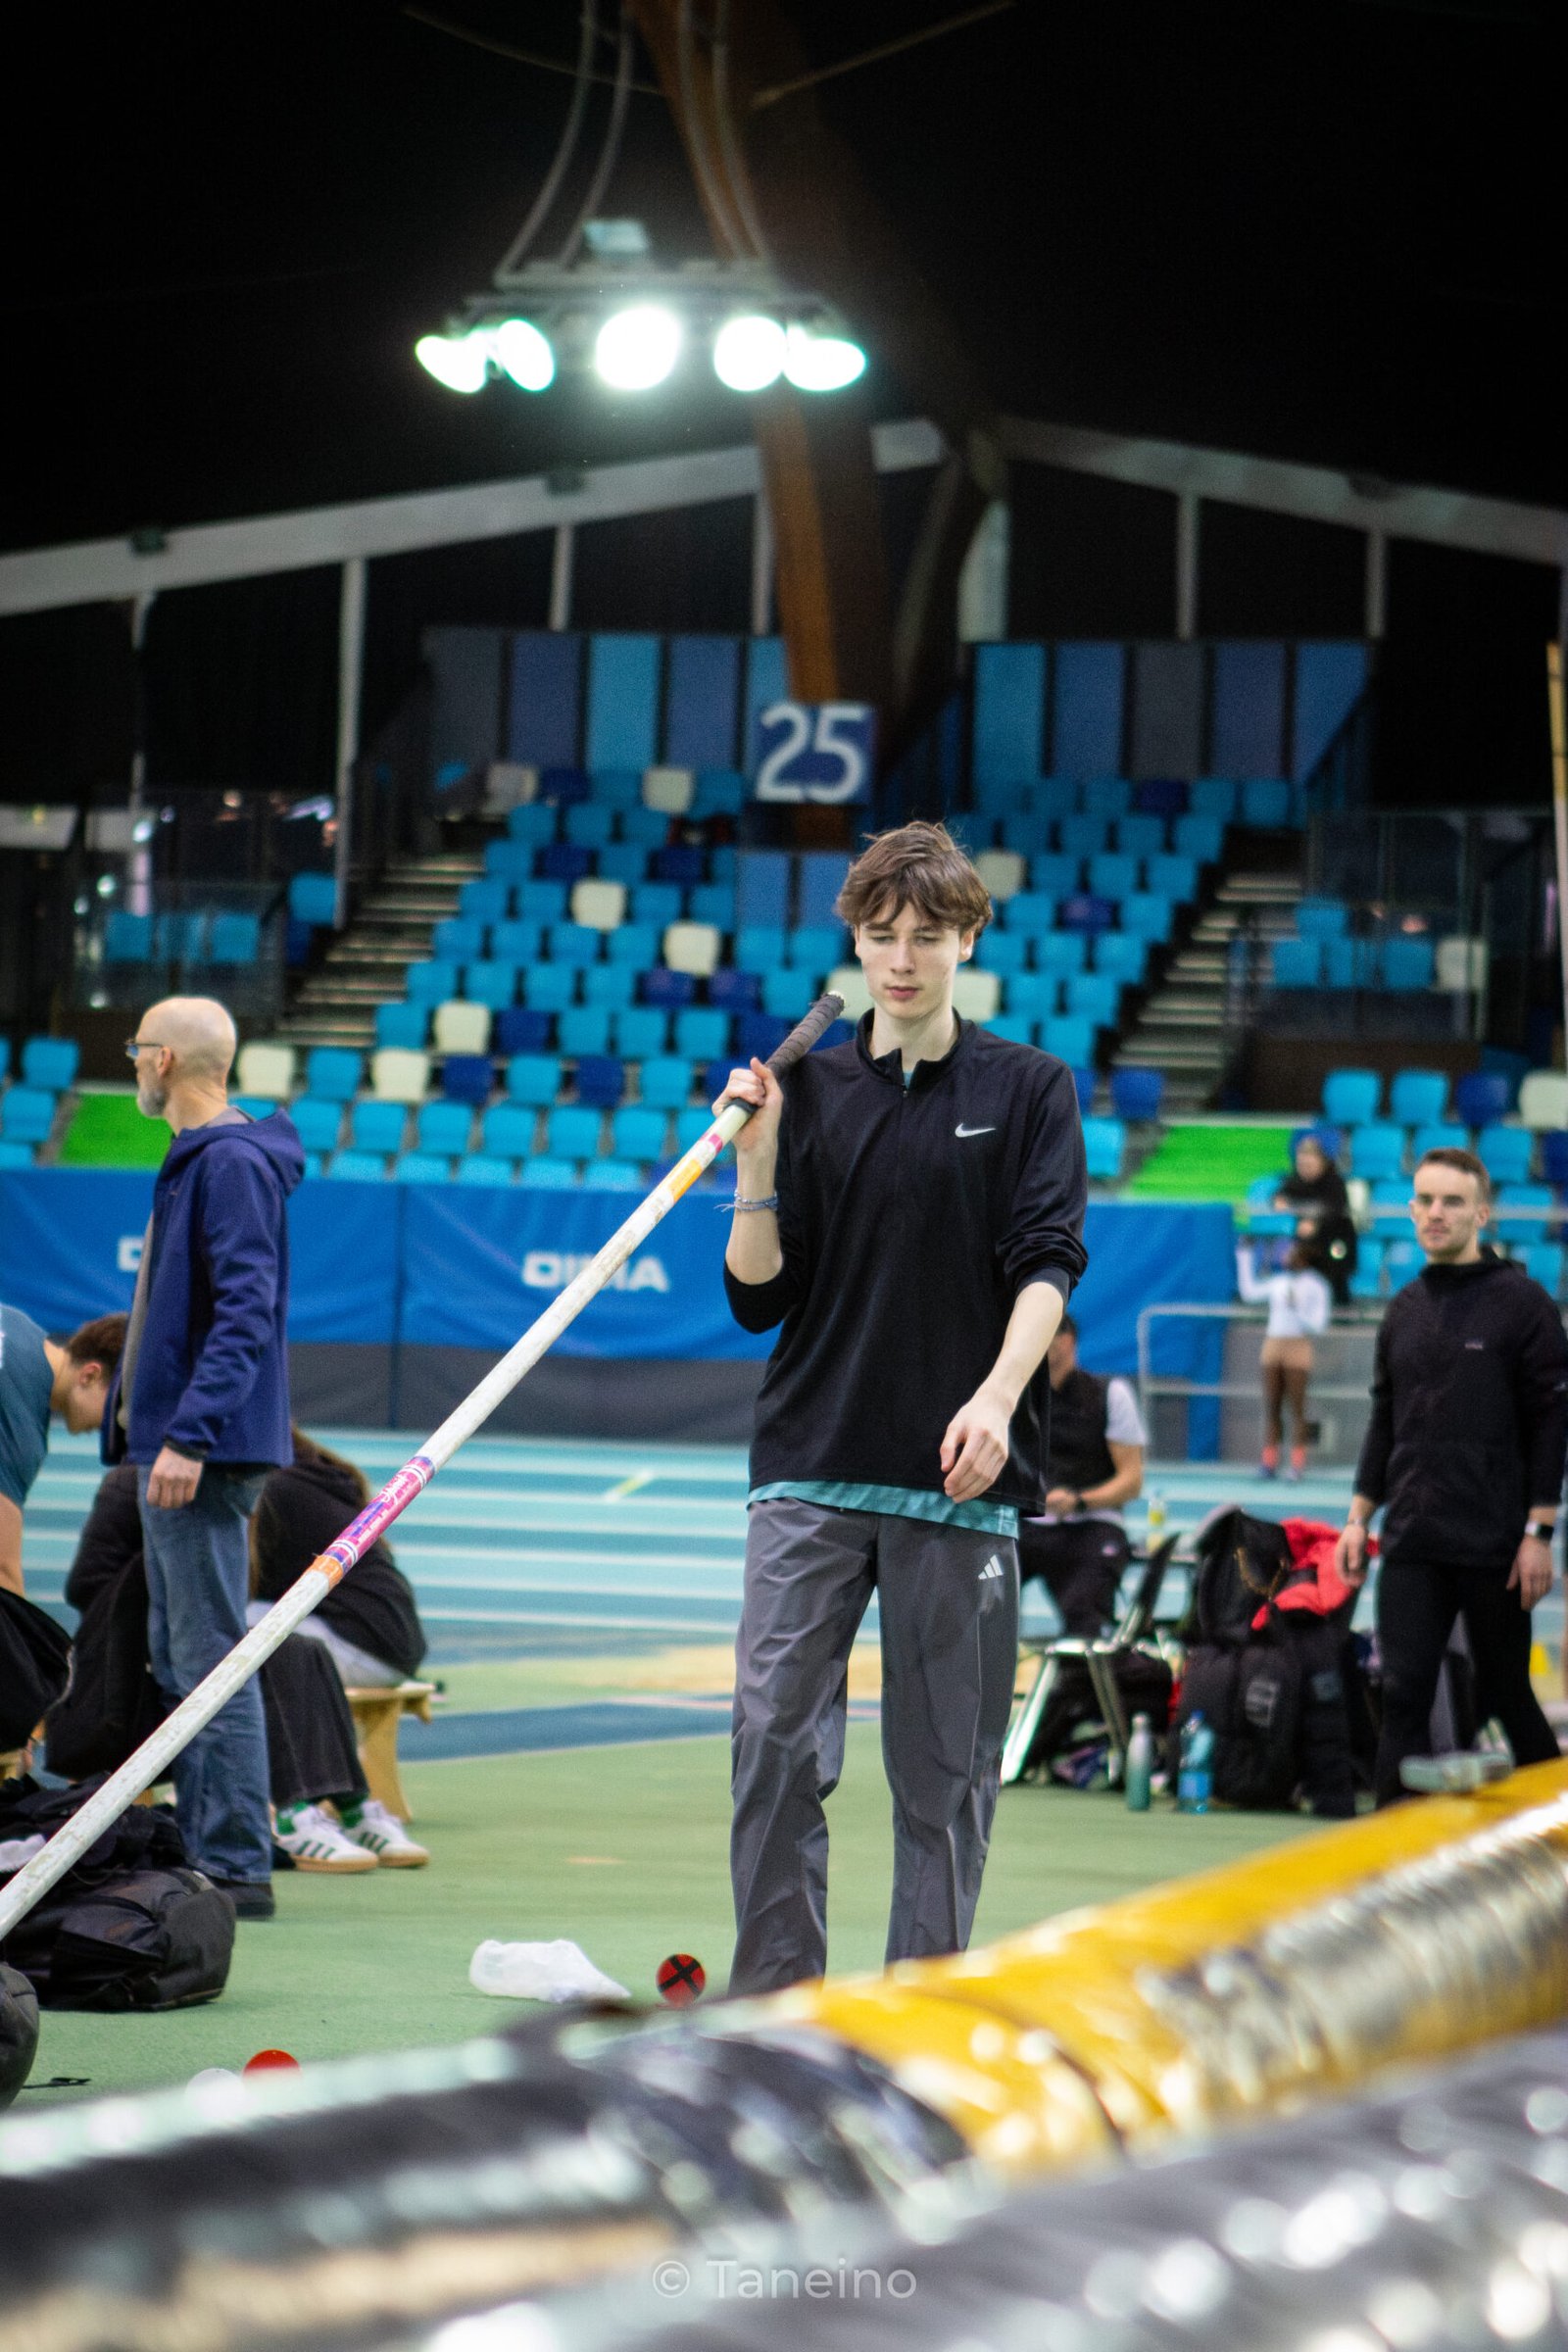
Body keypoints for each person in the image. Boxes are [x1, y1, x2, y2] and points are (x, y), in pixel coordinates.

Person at [718, 821, 1088, 1994]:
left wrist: (996, 1398)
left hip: (956, 1481)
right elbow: (756, 1299)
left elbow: (1047, 1262)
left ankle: (914, 2022)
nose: (901, 958)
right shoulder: (808, 1089)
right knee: (772, 1743)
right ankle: (775, 2013)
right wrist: (756, 1163)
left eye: (927, 936)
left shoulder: (1029, 1088)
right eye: (880, 936)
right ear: (856, 943)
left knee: (943, 1780)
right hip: (810, 1463)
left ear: (968, 939)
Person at [105, 998, 305, 1919]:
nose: (132, 1063)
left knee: (209, 1659)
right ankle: (215, 1851)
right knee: (185, 1655)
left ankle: (233, 1866)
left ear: (165, 1060)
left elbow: (244, 1311)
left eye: (137, 1048)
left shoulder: (228, 1163)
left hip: (203, 1449)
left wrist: (189, 1434)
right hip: (188, 1441)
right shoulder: (207, 1158)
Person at [1336, 1148, 1566, 1804]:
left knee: (1506, 1692)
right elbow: (1385, 1419)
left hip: (1495, 1542)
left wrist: (1539, 1533)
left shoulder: (1523, 1304)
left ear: (1482, 1214)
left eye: (1453, 1202)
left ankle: (1558, 1829)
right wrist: (1357, 1518)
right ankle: (1392, 1847)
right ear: (1411, 1210)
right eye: (1426, 1201)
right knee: (1403, 1692)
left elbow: (1552, 1424)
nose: (1436, 1214)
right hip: (1413, 1540)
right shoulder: (1404, 1308)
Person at [248, 1426, 429, 1867]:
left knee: (236, 1635)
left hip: (359, 1641)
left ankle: (294, 1808)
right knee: (269, 1633)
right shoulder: (318, 1477)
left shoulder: (275, 1489)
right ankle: (353, 1807)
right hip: (392, 1644)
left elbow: (241, 1582)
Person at [1015, 1313, 1146, 1636]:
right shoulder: (1017, 1396)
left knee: (1085, 1615)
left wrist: (1079, 1500)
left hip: (1092, 1525)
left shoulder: (1110, 1394)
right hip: (1028, 1526)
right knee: (980, 1597)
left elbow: (1132, 1481)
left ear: (1067, 1340)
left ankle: (1078, 1667)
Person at [0, 1308, 125, 1592]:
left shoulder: (17, 1323)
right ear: (90, 1375)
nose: (112, 1426)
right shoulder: (20, 1428)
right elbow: (3, 1571)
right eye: (116, 1407)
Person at [1236, 1237, 1333, 1480]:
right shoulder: (1279, 1282)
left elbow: (1319, 1324)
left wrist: (1296, 1309)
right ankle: (1269, 1462)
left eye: (1291, 1254)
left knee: (1297, 1408)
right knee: (1272, 1406)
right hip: (1274, 1343)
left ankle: (1297, 1464)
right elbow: (1249, 1292)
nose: (1286, 1258)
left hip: (1298, 1344)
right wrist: (1244, 1256)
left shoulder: (1317, 1285)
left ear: (1304, 1257)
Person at [1273, 1131, 1357, 1303]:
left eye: (1310, 1162)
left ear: (1322, 1161)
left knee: (1336, 1256)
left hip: (1336, 1242)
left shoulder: (1334, 1182)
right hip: (1308, 1245)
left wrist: (1315, 1223)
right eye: (1302, 1163)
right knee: (1297, 1254)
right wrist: (1278, 1199)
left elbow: (1336, 1210)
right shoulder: (1295, 1182)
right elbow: (1279, 1195)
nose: (1305, 1166)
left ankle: (1340, 1304)